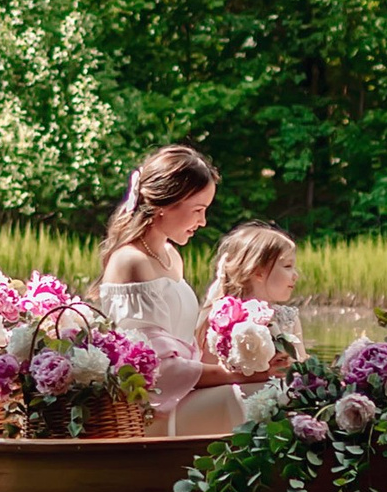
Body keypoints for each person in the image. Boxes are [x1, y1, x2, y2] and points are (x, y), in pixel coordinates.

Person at [94, 144, 244, 436]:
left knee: (263, 388)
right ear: (166, 203)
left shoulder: (171, 256)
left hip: (182, 394)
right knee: (243, 395)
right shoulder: (131, 261)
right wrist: (233, 375)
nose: (203, 222)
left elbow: (186, 345)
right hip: (150, 408)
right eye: (198, 210)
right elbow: (156, 370)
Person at [179, 222, 303, 441]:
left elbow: (300, 365)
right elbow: (205, 372)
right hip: (230, 406)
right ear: (258, 272)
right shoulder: (221, 317)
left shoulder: (288, 318)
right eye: (287, 266)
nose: (296, 275)